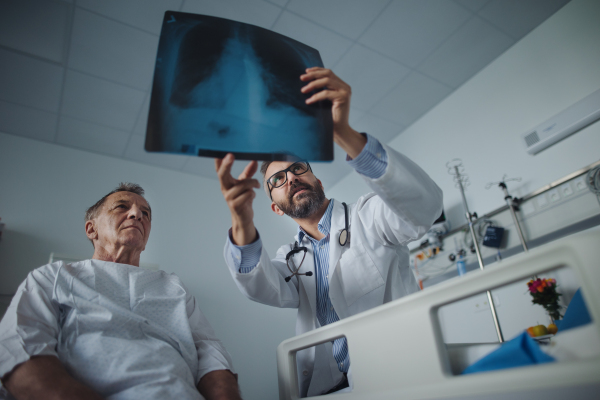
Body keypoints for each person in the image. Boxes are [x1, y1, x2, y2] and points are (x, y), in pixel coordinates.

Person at [215, 67, 443, 397]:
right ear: (276, 207)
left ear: (317, 181)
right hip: (330, 388)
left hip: (398, 373)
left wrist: (343, 133)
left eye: (298, 169)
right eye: (277, 180)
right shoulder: (288, 260)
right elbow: (259, 287)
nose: (290, 178)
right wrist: (242, 221)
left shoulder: (369, 217)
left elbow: (425, 206)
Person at [0, 183, 241, 400]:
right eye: (121, 207)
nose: (137, 215)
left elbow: (210, 354)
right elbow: (18, 348)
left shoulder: (173, 287)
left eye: (145, 213)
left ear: (145, 239)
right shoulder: (54, 277)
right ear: (91, 229)